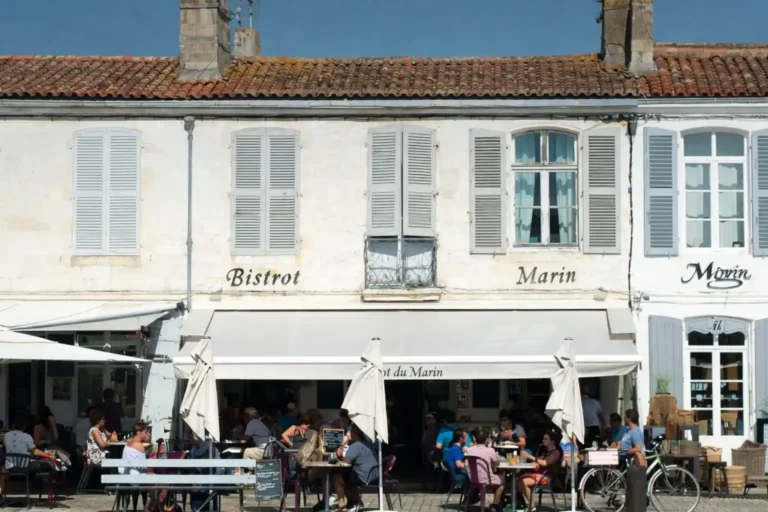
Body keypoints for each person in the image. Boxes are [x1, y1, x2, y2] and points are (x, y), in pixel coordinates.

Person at [332, 424, 378, 511]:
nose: (348, 434)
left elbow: (346, 462)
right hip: (374, 474)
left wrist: (343, 443)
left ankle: (342, 506)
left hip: (365, 476)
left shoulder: (356, 445)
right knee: (345, 475)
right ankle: (355, 502)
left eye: (350, 432)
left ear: (354, 433)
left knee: (337, 476)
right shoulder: (366, 443)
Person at [515, 430, 563, 509]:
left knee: (521, 482)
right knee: (515, 481)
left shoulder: (556, 452)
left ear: (552, 441)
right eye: (543, 439)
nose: (543, 441)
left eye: (545, 439)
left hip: (547, 477)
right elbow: (539, 461)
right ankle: (521, 503)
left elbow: (544, 463)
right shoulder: (544, 451)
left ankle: (532, 506)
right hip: (538, 474)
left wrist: (529, 456)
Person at [465, 429, 504, 509]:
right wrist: (496, 458)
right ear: (487, 440)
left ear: (475, 439)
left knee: (494, 478)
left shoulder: (469, 450)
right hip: (487, 480)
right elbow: (497, 463)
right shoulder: (490, 450)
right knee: (502, 480)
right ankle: (495, 504)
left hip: (473, 479)